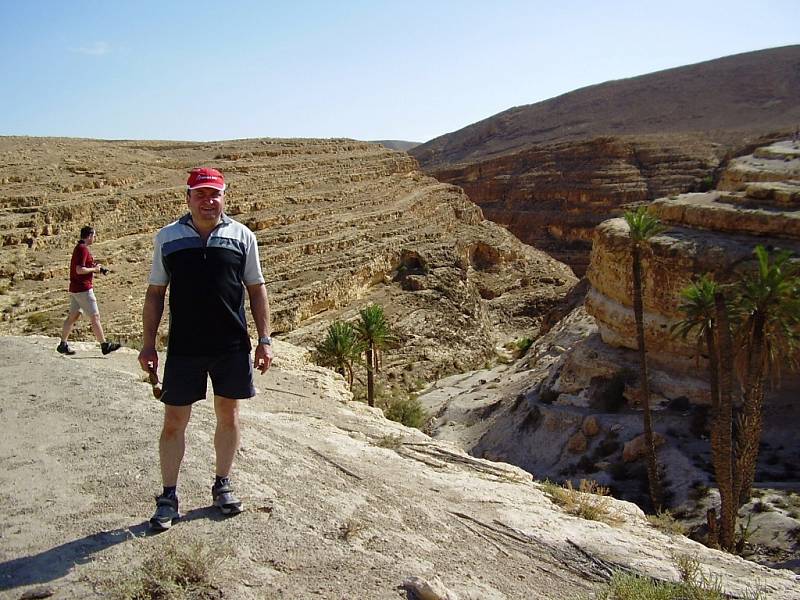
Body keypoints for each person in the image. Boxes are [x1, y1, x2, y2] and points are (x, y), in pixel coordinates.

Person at [138, 167, 273, 531]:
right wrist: (148, 345)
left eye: (214, 194)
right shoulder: (167, 238)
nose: (208, 201)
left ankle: (222, 484)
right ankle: (168, 496)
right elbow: (155, 294)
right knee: (173, 424)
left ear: (223, 197)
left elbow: (256, 288)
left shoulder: (242, 235)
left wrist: (264, 340)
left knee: (228, 416)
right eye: (200, 194)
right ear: (188, 198)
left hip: (231, 345)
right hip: (184, 347)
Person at [57, 226, 121, 356]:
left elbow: (83, 266)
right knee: (95, 316)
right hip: (83, 289)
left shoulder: (79, 248)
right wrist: (95, 270)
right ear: (90, 236)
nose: (95, 238)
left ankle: (63, 344)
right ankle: (104, 345)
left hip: (75, 289)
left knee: (73, 316)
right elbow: (79, 269)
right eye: (94, 236)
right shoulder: (83, 249)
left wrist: (98, 268)